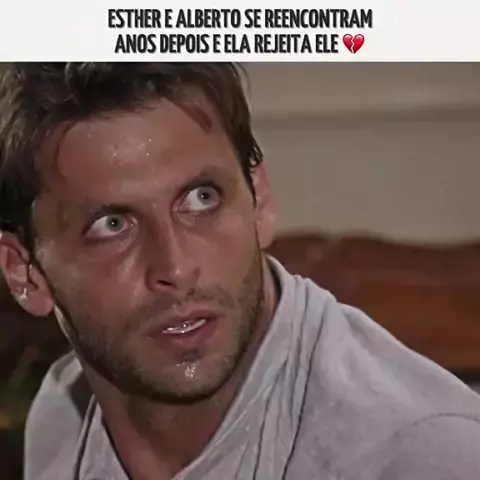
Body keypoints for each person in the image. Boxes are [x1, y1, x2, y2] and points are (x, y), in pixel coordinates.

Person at [0, 63, 479, 480]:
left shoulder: (417, 455)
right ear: (25, 272)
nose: (177, 267)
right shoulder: (62, 417)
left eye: (201, 198)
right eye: (112, 226)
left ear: (259, 199)